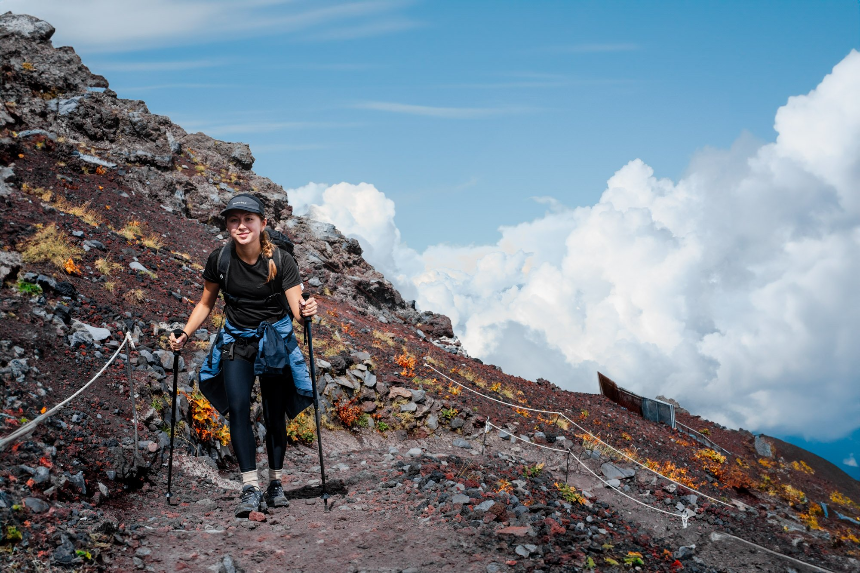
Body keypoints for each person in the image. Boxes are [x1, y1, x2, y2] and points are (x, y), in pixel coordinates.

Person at [168, 193, 318, 517]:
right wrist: (185, 332)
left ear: (263, 223)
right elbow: (206, 303)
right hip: (237, 338)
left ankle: (275, 483)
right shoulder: (219, 260)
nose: (241, 225)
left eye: (248, 219)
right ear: (227, 225)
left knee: (274, 412)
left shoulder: (281, 261)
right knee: (238, 408)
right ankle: (251, 487)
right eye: (234, 220)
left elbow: (297, 310)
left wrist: (307, 311)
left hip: (274, 339)